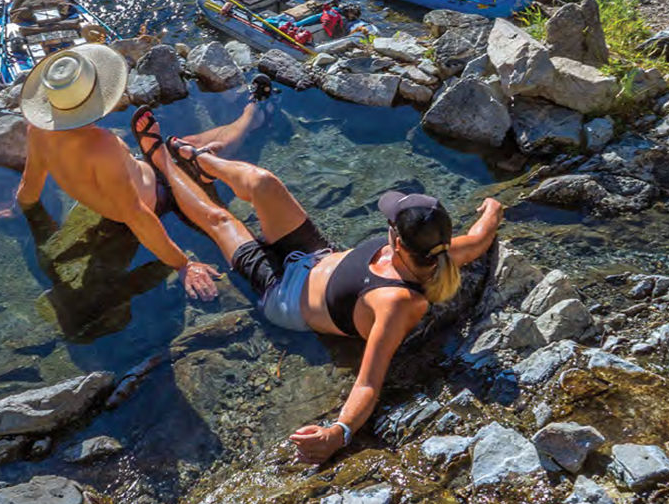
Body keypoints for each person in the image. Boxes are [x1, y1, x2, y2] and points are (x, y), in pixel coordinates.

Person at [159, 139, 504, 465]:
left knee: (220, 221)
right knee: (263, 182)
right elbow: (479, 237)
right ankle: (201, 161)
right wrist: (493, 207)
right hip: (313, 253)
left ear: (397, 242)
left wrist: (337, 434)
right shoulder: (439, 252)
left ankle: (162, 163)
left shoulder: (396, 304)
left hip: (283, 295)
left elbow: (369, 381)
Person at [1, 44, 267, 301]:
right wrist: (182, 264)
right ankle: (251, 116)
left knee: (185, 145)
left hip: (126, 190)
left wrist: (22, 213)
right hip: (160, 194)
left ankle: (229, 127)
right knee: (205, 151)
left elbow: (30, 182)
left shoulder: (38, 131)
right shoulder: (103, 146)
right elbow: (136, 215)